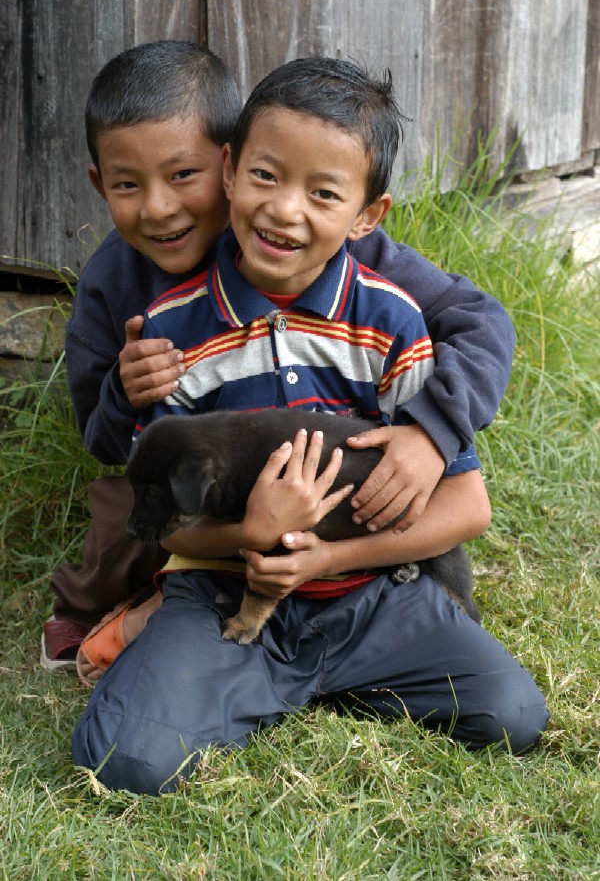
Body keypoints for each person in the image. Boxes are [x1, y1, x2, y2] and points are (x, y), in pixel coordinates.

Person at [71, 56, 548, 795]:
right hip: (223, 582)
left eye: (322, 193)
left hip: (366, 590)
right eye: (266, 177)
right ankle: (210, 655)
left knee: (510, 715)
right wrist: (256, 532)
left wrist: (426, 436)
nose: (285, 210)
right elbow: (150, 494)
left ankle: (277, 676)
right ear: (233, 170)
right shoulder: (164, 323)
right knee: (124, 759)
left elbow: (468, 500)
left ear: (365, 217)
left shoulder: (390, 311)